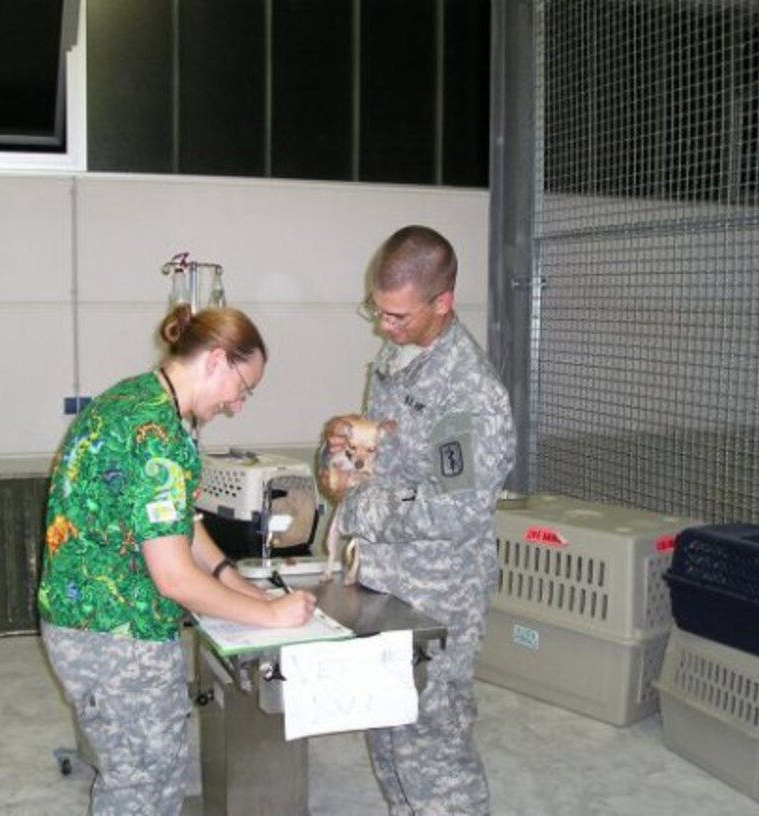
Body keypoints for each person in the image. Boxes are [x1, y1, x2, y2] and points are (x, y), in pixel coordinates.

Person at [38, 305, 316, 816]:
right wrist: (271, 616)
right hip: (118, 638)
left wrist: (236, 583)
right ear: (216, 360)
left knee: (145, 773)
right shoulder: (159, 435)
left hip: (86, 625)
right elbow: (172, 577)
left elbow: (181, 525)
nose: (237, 404)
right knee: (143, 788)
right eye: (243, 387)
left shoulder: (134, 401)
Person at [320, 225, 515, 815]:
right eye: (377, 311)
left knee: (432, 747)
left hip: (436, 593)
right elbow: (394, 456)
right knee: (386, 732)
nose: (385, 326)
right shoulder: (398, 355)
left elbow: (455, 507)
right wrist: (352, 442)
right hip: (386, 580)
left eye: (398, 316)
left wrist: (359, 505)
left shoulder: (468, 395)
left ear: (443, 303)